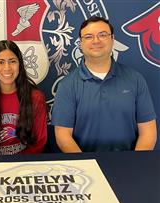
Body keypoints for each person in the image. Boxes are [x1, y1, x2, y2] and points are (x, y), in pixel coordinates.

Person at [51, 16, 157, 152]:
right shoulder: (67, 85)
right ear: (81, 43)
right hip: (86, 167)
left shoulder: (135, 79)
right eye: (89, 37)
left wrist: (135, 162)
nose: (96, 41)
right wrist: (87, 168)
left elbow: (148, 132)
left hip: (129, 165)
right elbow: (63, 137)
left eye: (102, 35)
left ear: (112, 39)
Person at [0, 40, 47, 155]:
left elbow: (39, 142)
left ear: (20, 64)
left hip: (27, 165)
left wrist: (20, 168)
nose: (7, 68)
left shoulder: (35, 97)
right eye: (0, 62)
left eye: (12, 61)